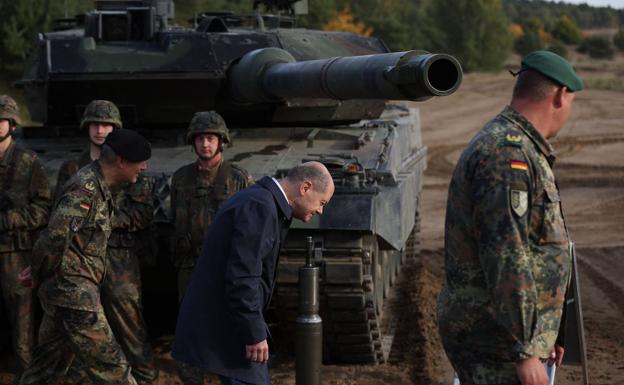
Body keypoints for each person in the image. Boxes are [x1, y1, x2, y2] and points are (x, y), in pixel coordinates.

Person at [437, 50, 583, 385]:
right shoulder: (507, 153)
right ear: (561, 96)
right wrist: (524, 350)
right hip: (497, 342)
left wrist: (548, 332)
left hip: (508, 336)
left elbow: (535, 245)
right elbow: (506, 255)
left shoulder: (520, 147)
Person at [172, 162, 334, 385]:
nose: (320, 210)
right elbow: (243, 277)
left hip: (228, 321)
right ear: (305, 188)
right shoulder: (261, 207)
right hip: (229, 325)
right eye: (322, 202)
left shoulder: (260, 200)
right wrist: (254, 333)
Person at [19, 129, 151, 385]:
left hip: (66, 292)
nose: (144, 167)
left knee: (44, 371)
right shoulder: (86, 189)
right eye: (140, 161)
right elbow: (55, 237)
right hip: (74, 294)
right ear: (122, 161)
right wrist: (36, 271)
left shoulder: (99, 185)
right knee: (114, 370)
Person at [55, 100, 157, 384]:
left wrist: (102, 221)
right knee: (77, 326)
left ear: (116, 129)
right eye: (95, 124)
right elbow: (59, 214)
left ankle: (145, 376)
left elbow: (143, 213)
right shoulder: (72, 167)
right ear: (86, 127)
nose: (101, 130)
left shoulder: (133, 164)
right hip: (79, 257)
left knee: (129, 322)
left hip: (118, 256)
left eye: (107, 125)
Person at [170, 110, 251, 384]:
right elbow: (175, 220)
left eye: (211, 138)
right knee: (191, 329)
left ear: (221, 141)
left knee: (226, 329)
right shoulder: (181, 179)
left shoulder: (238, 178)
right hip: (189, 266)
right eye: (201, 138)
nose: (205, 144)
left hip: (224, 269)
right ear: (193, 142)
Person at [0, 95, 52, 375]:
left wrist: (9, 219)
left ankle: (29, 379)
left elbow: (43, 208)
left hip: (15, 255)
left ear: (12, 124)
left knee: (22, 334)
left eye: (1, 120)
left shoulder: (27, 161)